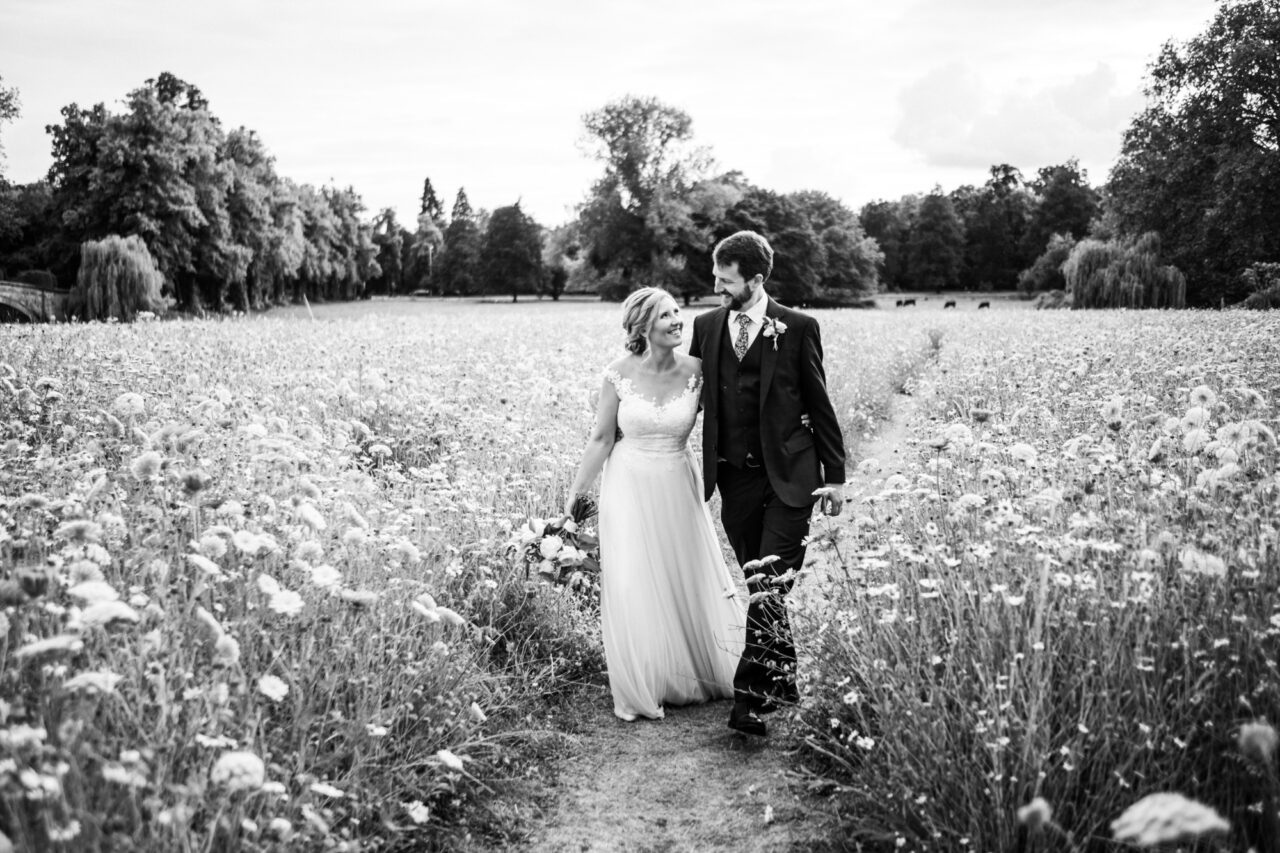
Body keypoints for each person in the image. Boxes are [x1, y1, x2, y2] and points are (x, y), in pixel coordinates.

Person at [688, 230, 847, 738]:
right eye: (715, 275)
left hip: (792, 479)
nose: (717, 286)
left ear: (756, 280)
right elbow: (689, 397)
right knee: (762, 588)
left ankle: (748, 702)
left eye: (726, 279)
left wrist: (836, 477)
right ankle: (783, 679)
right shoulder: (706, 326)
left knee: (770, 584)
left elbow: (819, 403)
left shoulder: (798, 327)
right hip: (733, 481)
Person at [565, 287, 745, 722]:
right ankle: (648, 677)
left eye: (678, 312)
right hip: (627, 483)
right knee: (633, 581)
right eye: (667, 315)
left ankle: (694, 669)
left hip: (677, 481)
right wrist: (575, 494)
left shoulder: (698, 371)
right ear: (644, 326)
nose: (678, 320)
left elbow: (732, 417)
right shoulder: (617, 374)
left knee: (683, 572)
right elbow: (602, 438)